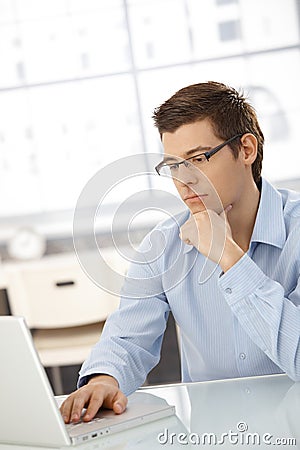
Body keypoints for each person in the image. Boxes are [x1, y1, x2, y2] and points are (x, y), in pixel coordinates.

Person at [60, 81, 300, 424]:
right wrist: (104, 380)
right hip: (216, 437)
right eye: (174, 165)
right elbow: (128, 339)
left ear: (246, 149)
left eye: (198, 159)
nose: (183, 181)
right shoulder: (163, 246)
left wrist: (229, 258)